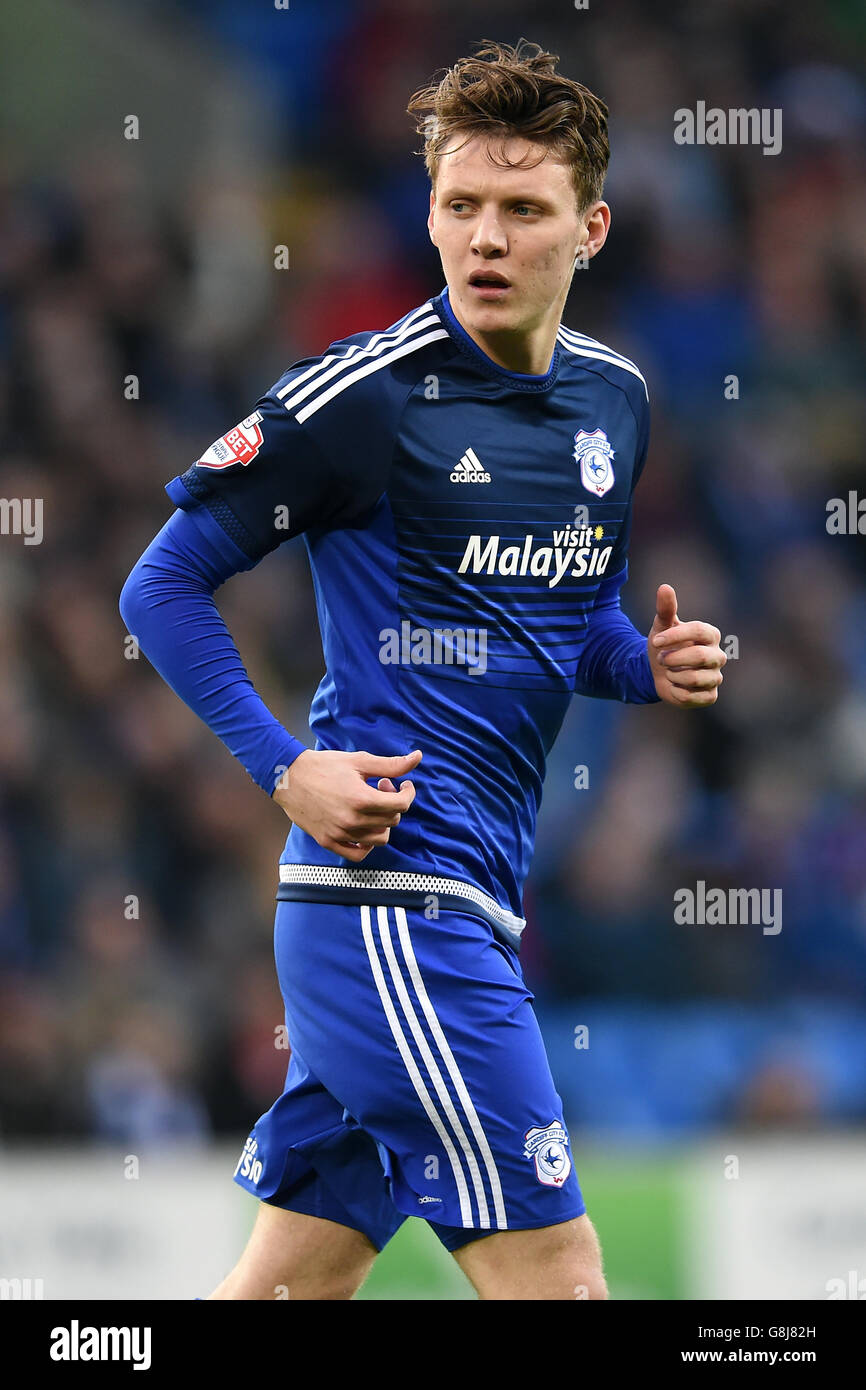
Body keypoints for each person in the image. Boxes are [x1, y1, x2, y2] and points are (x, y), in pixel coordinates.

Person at [119, 38, 725, 1300]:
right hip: (393, 894)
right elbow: (156, 586)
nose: (486, 238)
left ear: (591, 228)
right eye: (461, 207)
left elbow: (565, 623)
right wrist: (284, 768)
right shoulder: (362, 396)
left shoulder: (615, 399)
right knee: (558, 1276)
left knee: (287, 1287)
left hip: (475, 902)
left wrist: (642, 664)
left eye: (522, 210)